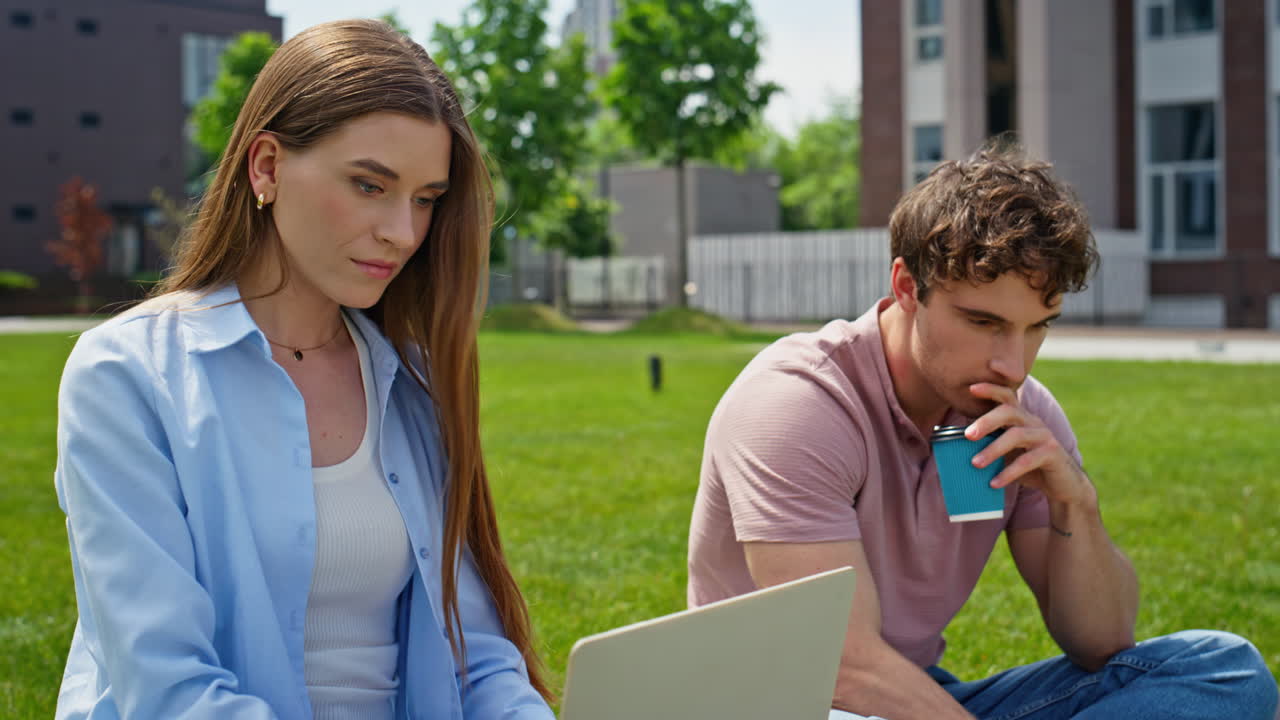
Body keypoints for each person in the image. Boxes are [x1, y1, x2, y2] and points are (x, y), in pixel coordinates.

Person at [53, 19, 553, 720]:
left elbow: (475, 653)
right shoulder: (128, 376)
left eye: (425, 199)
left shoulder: (413, 381)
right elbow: (168, 690)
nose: (404, 233)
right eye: (369, 185)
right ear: (266, 167)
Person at [686, 148, 1279, 719]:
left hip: (916, 696)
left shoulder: (1016, 416)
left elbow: (1102, 644)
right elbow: (841, 666)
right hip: (780, 706)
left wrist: (1076, 504)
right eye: (983, 322)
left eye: (1036, 328)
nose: (1013, 366)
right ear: (907, 287)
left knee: (1224, 671)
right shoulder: (798, 405)